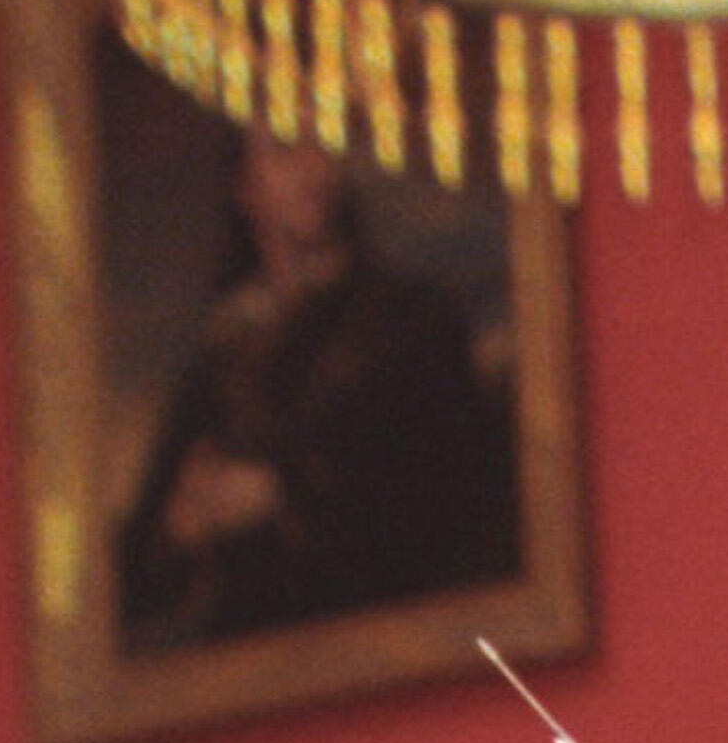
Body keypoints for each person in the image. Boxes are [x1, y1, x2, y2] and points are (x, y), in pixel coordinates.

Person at [113, 127, 522, 656]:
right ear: (245, 187)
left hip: (388, 647)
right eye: (285, 150)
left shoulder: (410, 320)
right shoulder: (220, 357)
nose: (312, 166)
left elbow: (453, 495)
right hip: (249, 668)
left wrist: (283, 491)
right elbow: (141, 555)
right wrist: (180, 527)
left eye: (323, 142)